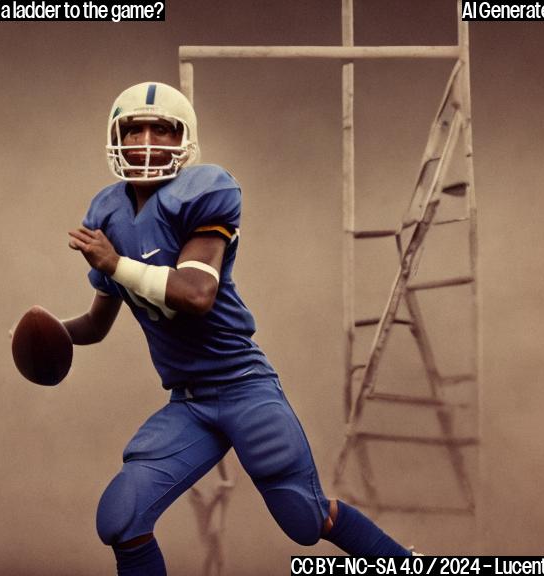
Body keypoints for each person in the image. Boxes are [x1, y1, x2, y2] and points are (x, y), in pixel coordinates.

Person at [63, 82, 413, 574]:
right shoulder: (106, 213)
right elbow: (96, 324)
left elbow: (196, 295)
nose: (145, 141)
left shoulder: (204, 190)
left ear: (183, 140)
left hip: (243, 387)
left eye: (160, 129)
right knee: (121, 516)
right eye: (134, 129)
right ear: (115, 138)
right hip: (188, 402)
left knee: (304, 519)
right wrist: (51, 334)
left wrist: (116, 263)